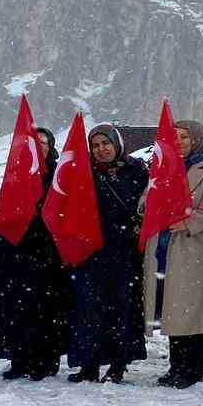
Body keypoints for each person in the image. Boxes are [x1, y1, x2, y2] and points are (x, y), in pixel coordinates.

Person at [145, 120, 203, 389]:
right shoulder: (164, 169)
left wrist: (190, 221)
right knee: (175, 309)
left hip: (197, 248)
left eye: (184, 136)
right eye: (175, 137)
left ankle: (192, 369)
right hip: (168, 247)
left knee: (195, 310)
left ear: (197, 139)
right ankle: (177, 366)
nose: (179, 142)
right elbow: (147, 199)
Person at [68, 124, 148, 383]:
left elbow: (144, 206)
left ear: (117, 144)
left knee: (120, 308)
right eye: (95, 145)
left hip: (123, 251)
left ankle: (117, 363)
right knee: (89, 309)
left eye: (106, 143)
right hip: (91, 250)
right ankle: (89, 363)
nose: (101, 149)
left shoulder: (136, 171)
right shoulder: (84, 172)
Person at [0, 127, 66, 381]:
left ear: (50, 147)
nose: (38, 147)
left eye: (43, 142)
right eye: (33, 142)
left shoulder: (57, 173)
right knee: (17, 308)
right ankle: (19, 358)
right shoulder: (16, 174)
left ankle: (45, 360)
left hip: (47, 252)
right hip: (17, 251)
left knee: (45, 309)